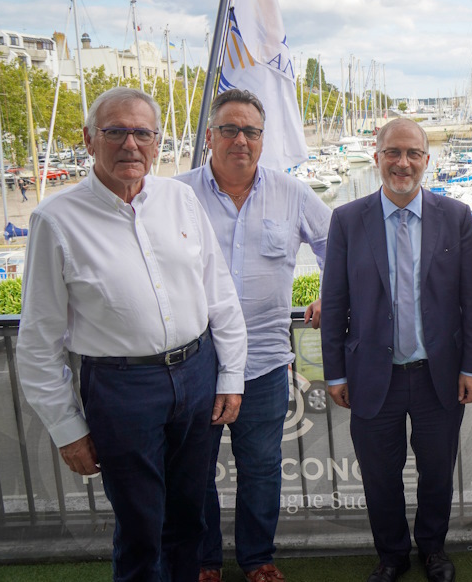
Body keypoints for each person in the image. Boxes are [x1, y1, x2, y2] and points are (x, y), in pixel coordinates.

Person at [16, 86, 248, 582]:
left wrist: (231, 375)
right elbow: (38, 341)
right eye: (115, 131)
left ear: (157, 141)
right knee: (141, 525)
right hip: (120, 389)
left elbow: (219, 293)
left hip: (197, 373)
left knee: (190, 516)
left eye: (143, 133)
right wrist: (67, 428)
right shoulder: (55, 220)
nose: (130, 144)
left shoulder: (180, 199)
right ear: (88, 139)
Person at [321, 118, 472, 582]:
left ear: (426, 161)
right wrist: (335, 373)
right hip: (374, 376)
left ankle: (433, 549)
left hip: (439, 374)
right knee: (379, 476)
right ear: (376, 158)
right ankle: (392, 554)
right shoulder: (348, 219)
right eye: (393, 152)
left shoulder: (454, 215)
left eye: (413, 153)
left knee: (437, 473)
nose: (403, 162)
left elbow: (471, 300)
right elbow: (334, 302)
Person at [175, 88, 331, 582]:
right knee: (195, 471)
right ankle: (203, 561)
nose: (241, 139)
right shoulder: (175, 196)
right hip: (194, 363)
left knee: (262, 469)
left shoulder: (293, 193)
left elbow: (339, 247)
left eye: (251, 131)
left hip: (264, 362)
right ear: (210, 137)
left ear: (263, 139)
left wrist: (331, 294)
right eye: (230, 129)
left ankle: (257, 558)